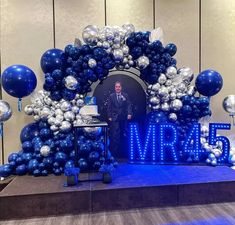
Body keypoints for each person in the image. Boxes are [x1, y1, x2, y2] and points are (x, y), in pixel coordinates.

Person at [107, 81, 132, 159]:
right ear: (115, 88)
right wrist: (109, 116)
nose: (117, 88)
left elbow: (129, 105)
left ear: (121, 87)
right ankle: (114, 155)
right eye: (116, 87)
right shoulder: (111, 96)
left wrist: (129, 113)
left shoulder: (125, 95)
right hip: (115, 118)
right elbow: (109, 107)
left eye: (119, 87)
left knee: (124, 134)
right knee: (115, 136)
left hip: (123, 117)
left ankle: (124, 154)